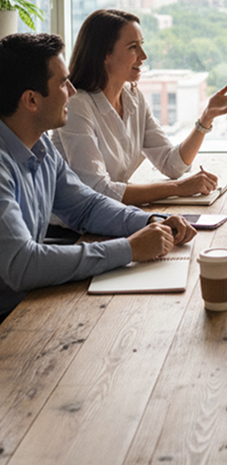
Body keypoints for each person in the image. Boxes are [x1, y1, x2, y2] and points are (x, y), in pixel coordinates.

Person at [0, 33, 196, 320]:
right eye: (62, 84)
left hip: (32, 300)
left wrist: (151, 222)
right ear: (31, 100)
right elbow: (23, 266)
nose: (72, 91)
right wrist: (129, 249)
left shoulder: (40, 147)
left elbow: (87, 205)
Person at [53, 9, 227, 205]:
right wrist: (177, 188)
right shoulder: (77, 106)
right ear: (105, 54)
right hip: (73, 233)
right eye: (133, 47)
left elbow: (172, 164)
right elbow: (97, 190)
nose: (143, 56)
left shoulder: (134, 99)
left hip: (111, 217)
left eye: (141, 45)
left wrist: (206, 118)